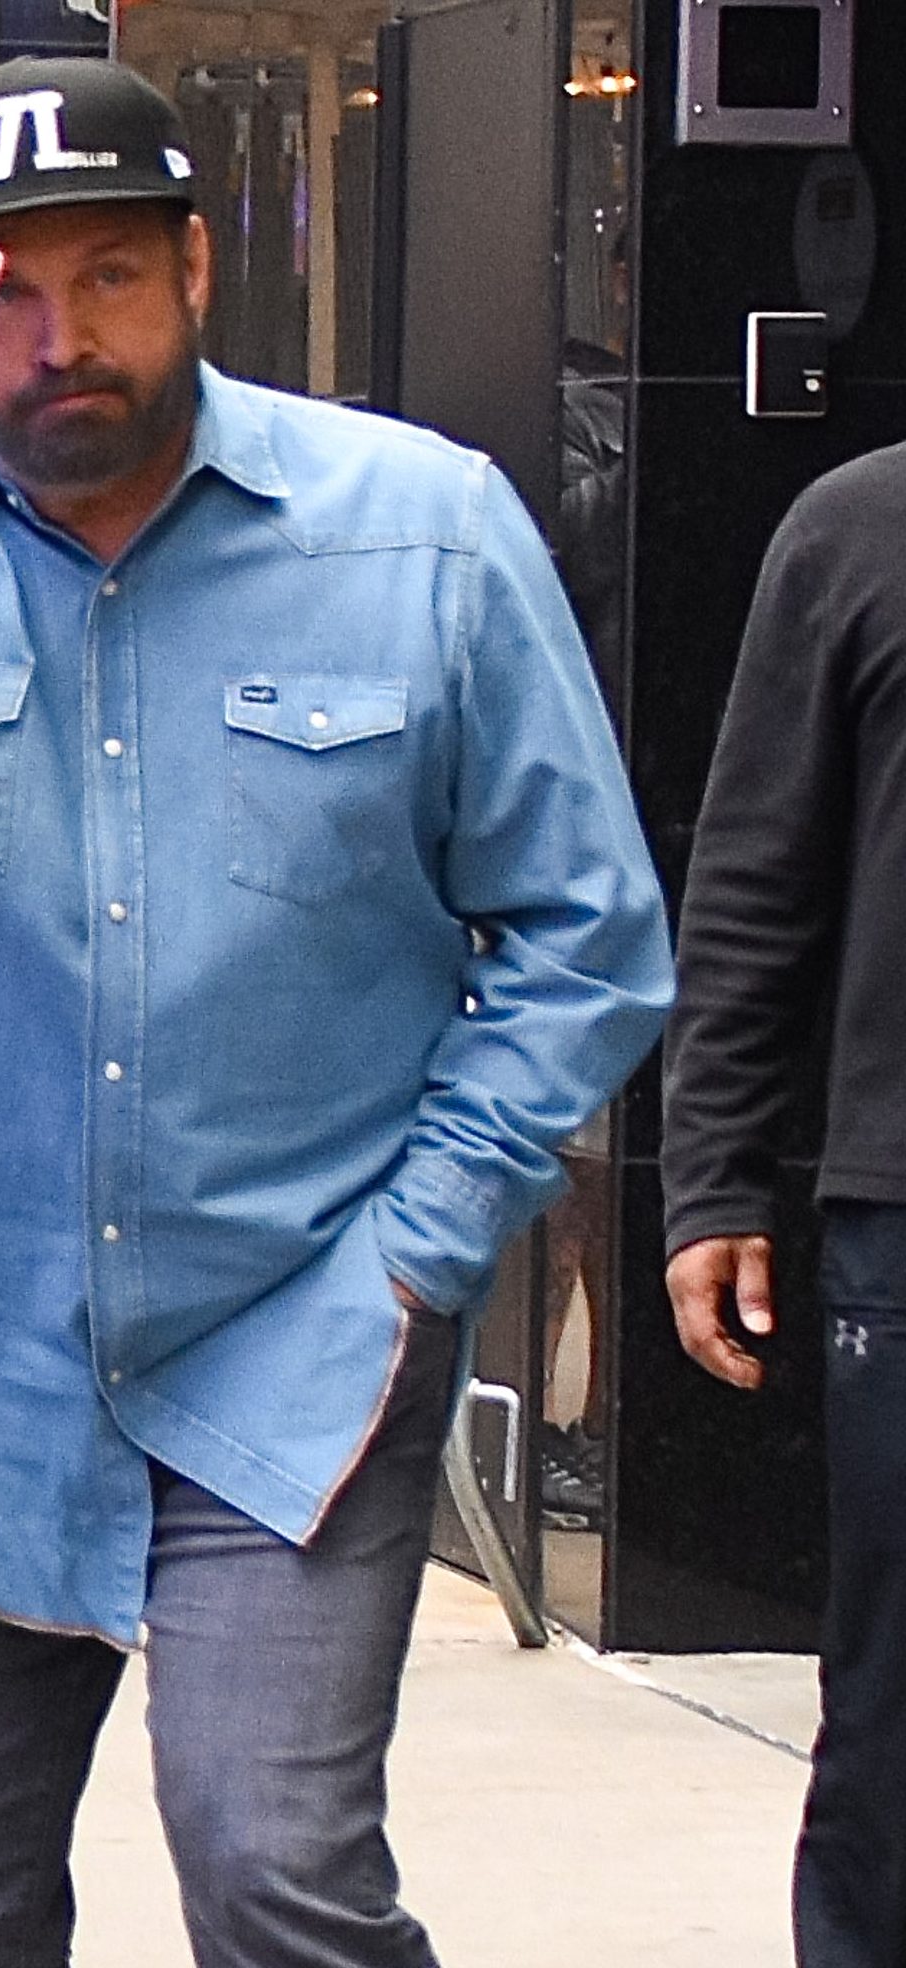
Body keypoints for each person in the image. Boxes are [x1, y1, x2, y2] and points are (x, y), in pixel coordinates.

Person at [0, 58, 673, 1968]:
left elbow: (585, 933)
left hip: (296, 1342)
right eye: (0, 295)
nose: (60, 340)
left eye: (107, 274)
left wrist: (422, 1243)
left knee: (278, 1876)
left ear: (195, 265)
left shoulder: (419, 531)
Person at [662, 445, 906, 1968]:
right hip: (900, 1216)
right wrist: (712, 1175)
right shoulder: (860, 528)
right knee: (891, 1711)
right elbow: (757, 872)